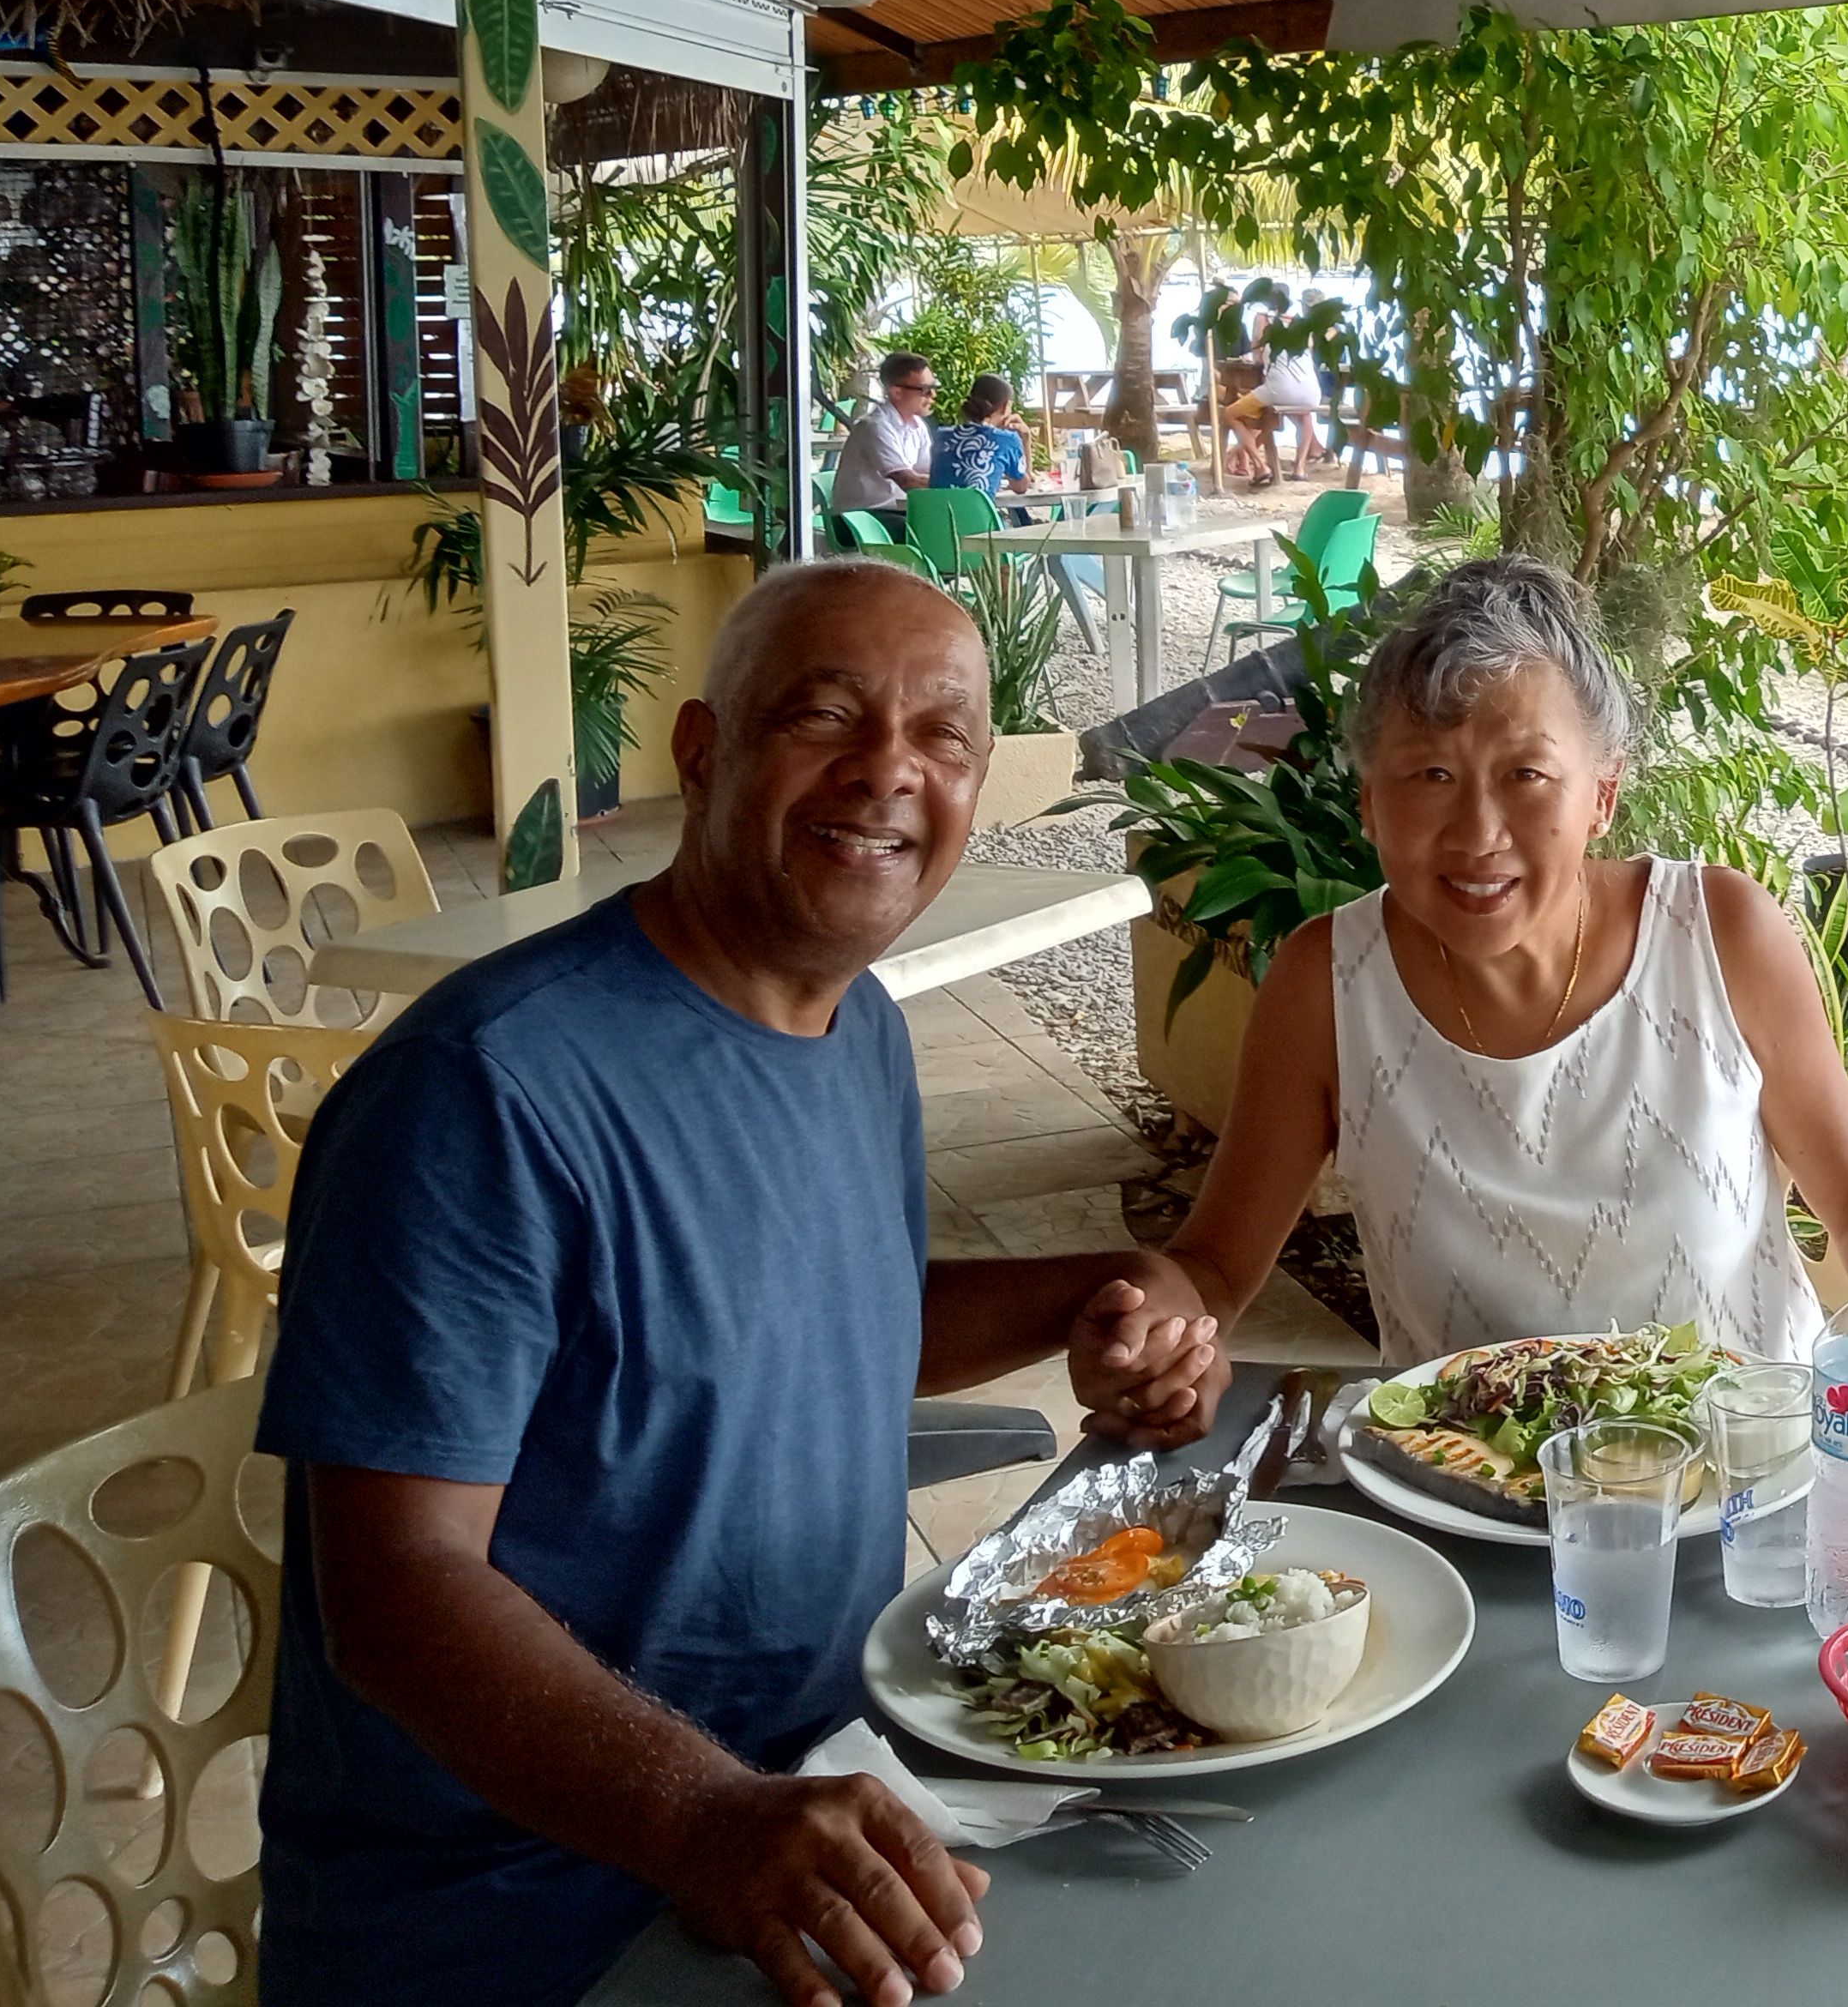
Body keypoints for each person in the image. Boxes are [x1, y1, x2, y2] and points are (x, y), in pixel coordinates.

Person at [254, 563, 1220, 2007]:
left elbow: (823, 1316)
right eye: (823, 714)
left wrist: (1089, 1294)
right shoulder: (485, 1092)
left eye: (943, 735)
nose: (889, 766)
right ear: (701, 751)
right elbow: (396, 1589)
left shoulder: (859, 1028)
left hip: (822, 1811)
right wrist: (704, 1816)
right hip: (524, 1907)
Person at [1141, 557, 1848, 1431]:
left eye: (1526, 776)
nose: (1479, 834)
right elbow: (1213, 1270)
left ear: (1602, 795)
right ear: (1370, 803)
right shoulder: (1327, 982)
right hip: (1462, 1496)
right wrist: (1151, 1328)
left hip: (1743, 1480)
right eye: (1431, 777)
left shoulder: (1719, 936)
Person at [828, 351, 937, 515]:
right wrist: (962, 486)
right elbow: (907, 481)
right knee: (940, 531)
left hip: (894, 511)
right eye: (925, 390)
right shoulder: (875, 427)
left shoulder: (918, 426)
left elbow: (927, 471)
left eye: (934, 387)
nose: (932, 395)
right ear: (897, 392)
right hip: (863, 518)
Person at [1225, 323, 1327, 485]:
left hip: (1279, 390)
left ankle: (1259, 466)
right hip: (1311, 392)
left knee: (1230, 413)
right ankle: (1299, 469)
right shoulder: (1304, 336)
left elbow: (1258, 361)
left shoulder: (1269, 337)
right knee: (1305, 415)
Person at [927, 372, 1029, 497]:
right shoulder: (1007, 439)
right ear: (1006, 406)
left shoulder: (942, 435)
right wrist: (1026, 439)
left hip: (937, 515)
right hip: (977, 517)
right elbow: (1021, 487)